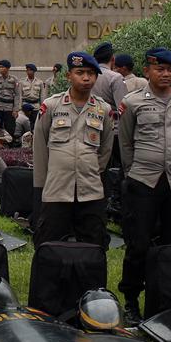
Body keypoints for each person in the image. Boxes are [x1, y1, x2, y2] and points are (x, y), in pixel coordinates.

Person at [117, 48, 171, 321]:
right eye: (159, 69)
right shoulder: (132, 101)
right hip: (143, 181)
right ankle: (130, 299)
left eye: (170, 69)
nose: (166, 74)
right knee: (138, 244)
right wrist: (132, 174)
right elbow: (125, 144)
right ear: (148, 71)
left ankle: (167, 300)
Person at [32, 52, 113, 248]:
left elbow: (105, 149)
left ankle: (89, 280)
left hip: (90, 189)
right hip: (56, 188)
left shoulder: (103, 109)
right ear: (69, 76)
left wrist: (92, 169)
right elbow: (40, 147)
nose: (86, 78)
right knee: (49, 244)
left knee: (94, 245)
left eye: (91, 73)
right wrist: (42, 185)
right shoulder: (51, 105)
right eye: (80, 72)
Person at [90, 42, 129, 111]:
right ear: (113, 59)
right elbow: (123, 109)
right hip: (110, 119)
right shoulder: (116, 77)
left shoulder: (87, 76)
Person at [0, 60, 20, 137]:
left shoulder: (14, 79)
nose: (0, 69)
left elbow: (17, 95)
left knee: (10, 126)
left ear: (8, 68)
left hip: (9, 106)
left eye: (2, 67)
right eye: (0, 67)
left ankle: (10, 143)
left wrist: (16, 109)